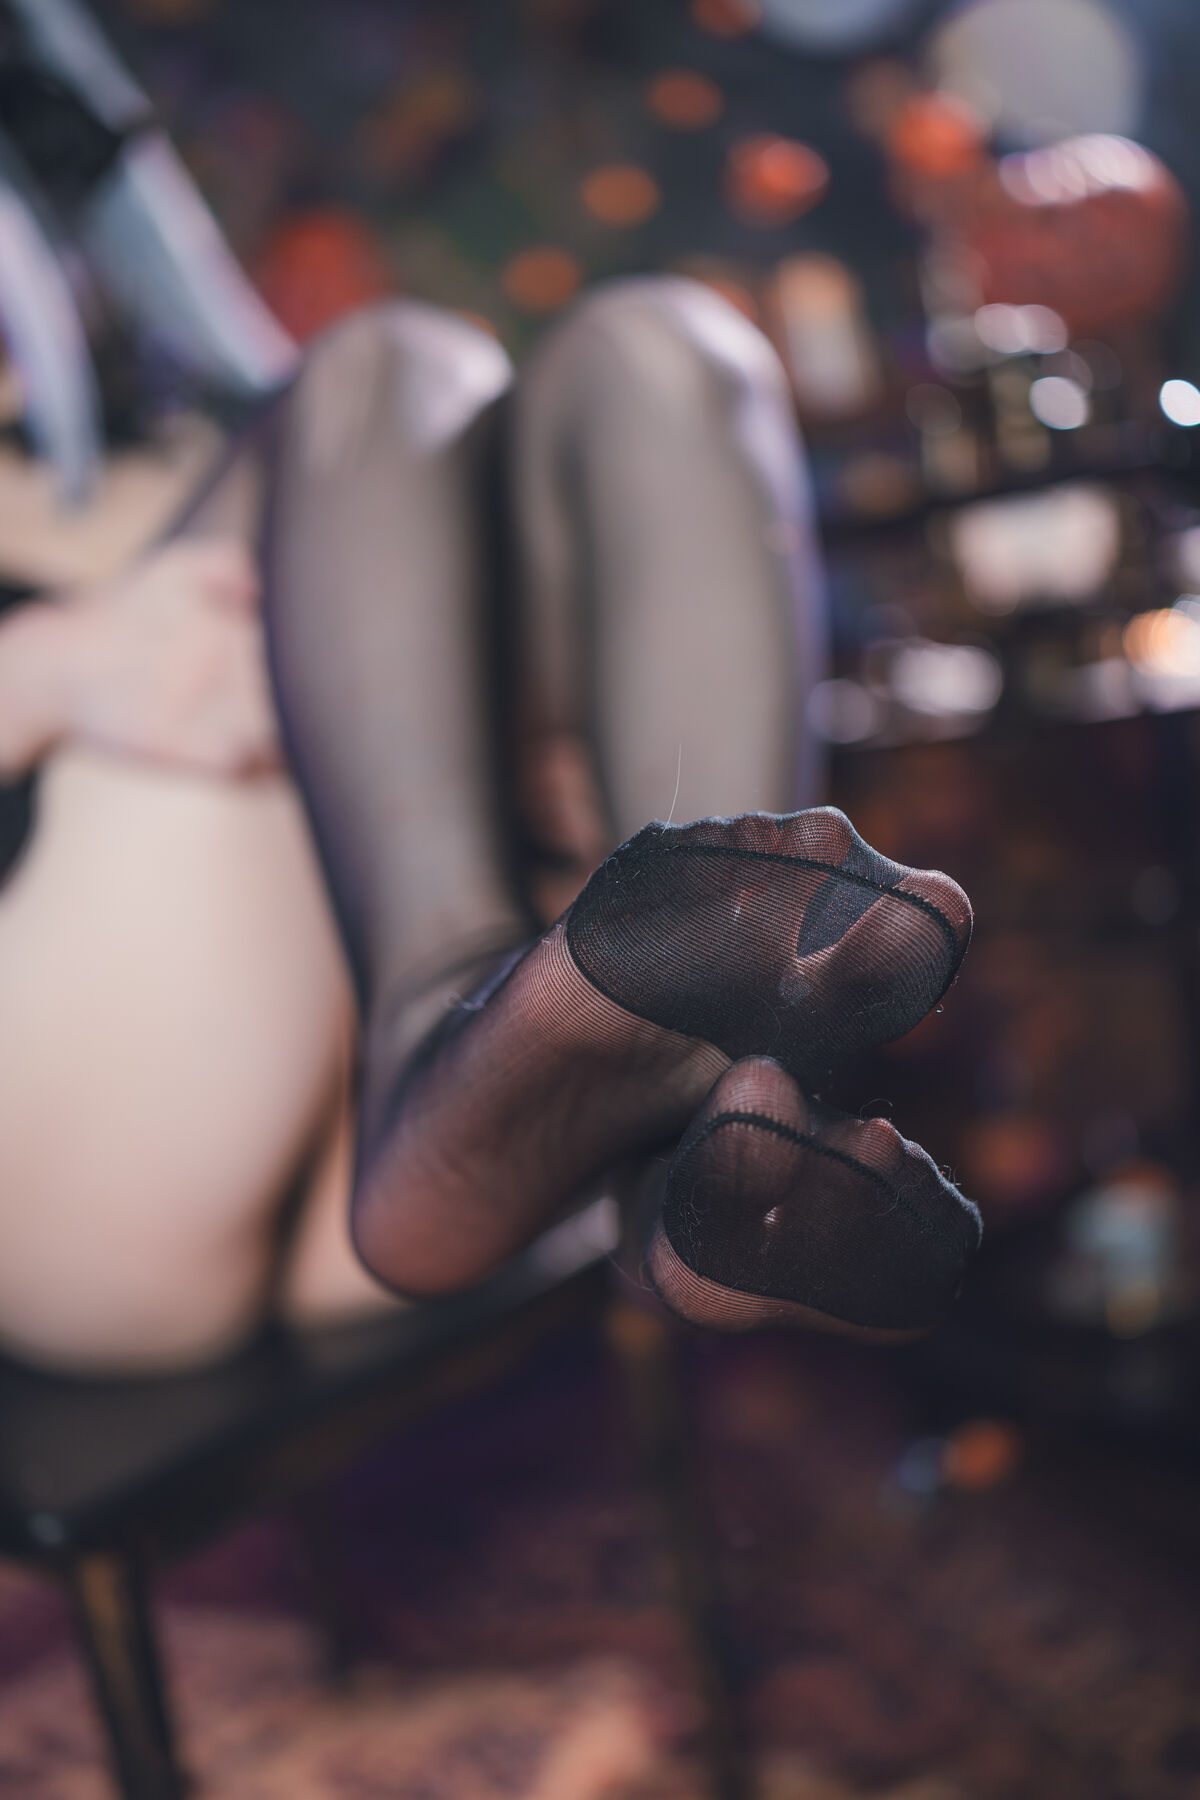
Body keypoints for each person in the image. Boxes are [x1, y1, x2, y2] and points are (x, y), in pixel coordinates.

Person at [0, 275, 978, 1374]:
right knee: (394, 368)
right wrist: (34, 673)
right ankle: (452, 1025)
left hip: (362, 989)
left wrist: (528, 725)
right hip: (84, 1131)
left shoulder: (92, 204)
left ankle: (699, 1136)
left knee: (658, 354)